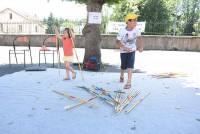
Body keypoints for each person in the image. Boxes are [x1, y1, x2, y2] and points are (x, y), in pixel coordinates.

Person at [116, 13, 143, 89]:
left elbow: (140, 38)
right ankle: (121, 75)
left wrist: (140, 47)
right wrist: (124, 47)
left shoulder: (136, 30)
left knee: (130, 66)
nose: (136, 22)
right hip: (123, 51)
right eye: (134, 20)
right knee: (123, 65)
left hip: (132, 51)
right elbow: (117, 42)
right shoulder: (122, 31)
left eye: (136, 20)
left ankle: (129, 82)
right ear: (128, 21)